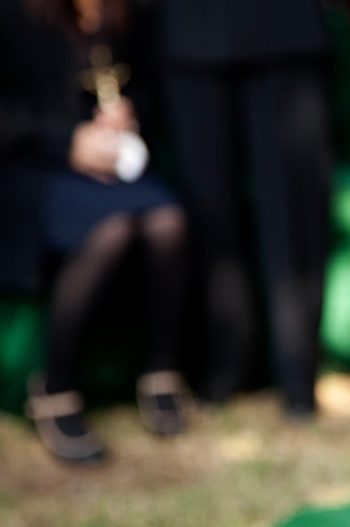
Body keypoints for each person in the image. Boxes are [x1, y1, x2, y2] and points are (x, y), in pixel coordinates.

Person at [0, 0, 191, 464]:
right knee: (111, 229)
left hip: (107, 164)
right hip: (32, 166)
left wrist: (126, 114)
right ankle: (56, 387)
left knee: (169, 222)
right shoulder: (13, 13)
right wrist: (68, 144)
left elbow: (149, 87)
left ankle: (161, 371)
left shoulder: (126, 13)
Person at [158, 0, 333, 416]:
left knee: (292, 211)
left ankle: (297, 373)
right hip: (190, 31)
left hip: (283, 29)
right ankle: (224, 368)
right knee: (209, 209)